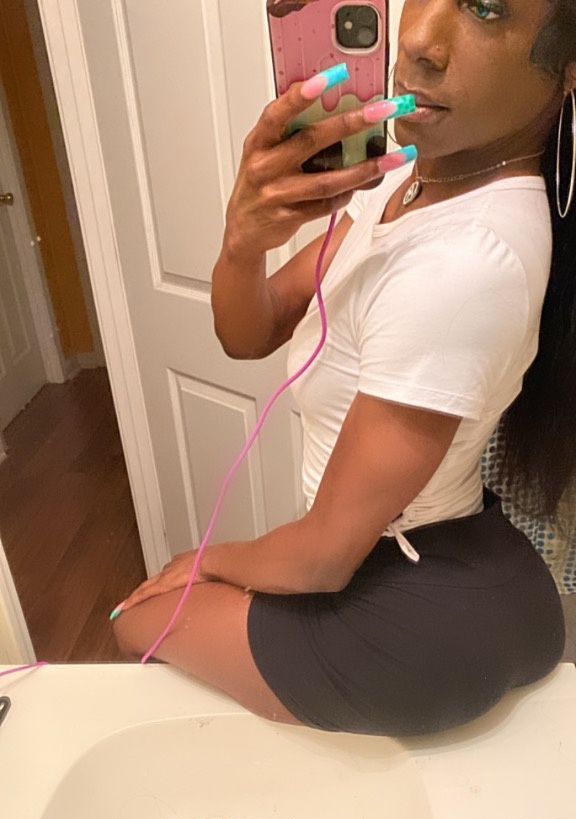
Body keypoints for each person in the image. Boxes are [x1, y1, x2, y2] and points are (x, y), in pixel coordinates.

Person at [113, 0, 576, 736]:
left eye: (486, 9)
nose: (417, 40)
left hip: (409, 604)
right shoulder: (408, 183)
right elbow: (252, 329)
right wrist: (242, 241)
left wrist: (204, 561)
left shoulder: (466, 260)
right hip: (434, 551)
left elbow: (323, 558)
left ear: (567, 71)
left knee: (132, 619)